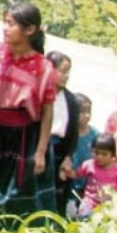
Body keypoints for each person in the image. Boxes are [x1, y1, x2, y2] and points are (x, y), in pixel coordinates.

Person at [0, 2, 57, 219]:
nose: (5, 28)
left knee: (17, 196)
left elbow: (47, 112)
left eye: (11, 24)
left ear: (30, 29)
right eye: (5, 23)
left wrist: (41, 152)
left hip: (25, 136)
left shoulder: (42, 67)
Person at [46, 51, 81, 216]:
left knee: (57, 198)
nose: (66, 76)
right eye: (63, 71)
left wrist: (68, 158)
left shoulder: (71, 101)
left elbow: (73, 134)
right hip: (40, 148)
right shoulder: (37, 94)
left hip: (59, 153)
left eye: (68, 72)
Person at [74, 133, 117, 218]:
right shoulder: (89, 165)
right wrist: (67, 173)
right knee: (83, 219)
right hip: (90, 202)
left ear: (112, 154)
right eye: (96, 153)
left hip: (110, 204)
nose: (99, 157)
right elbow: (76, 174)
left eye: (104, 154)